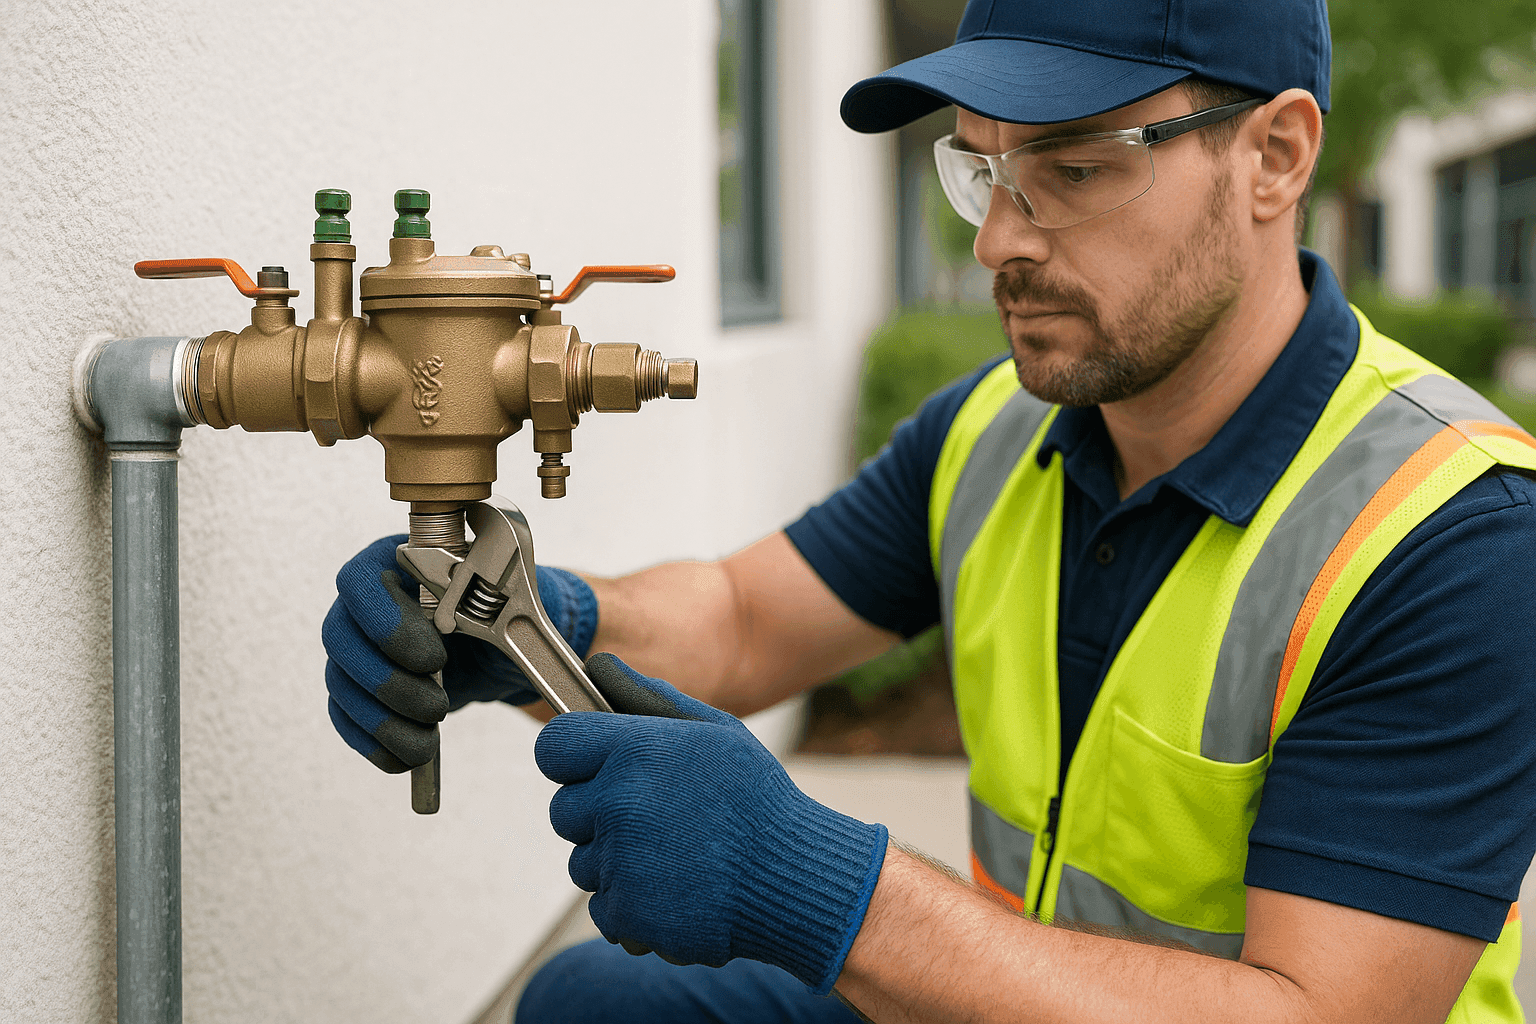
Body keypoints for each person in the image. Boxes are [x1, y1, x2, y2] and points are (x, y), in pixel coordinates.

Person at [322, 0, 1536, 1020]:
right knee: (593, 1003)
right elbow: (746, 619)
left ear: (1274, 156)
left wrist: (821, 886)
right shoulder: (995, 432)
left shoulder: (1448, 535)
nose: (998, 239)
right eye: (980, 167)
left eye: (1073, 169)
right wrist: (531, 616)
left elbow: (1315, 1012)